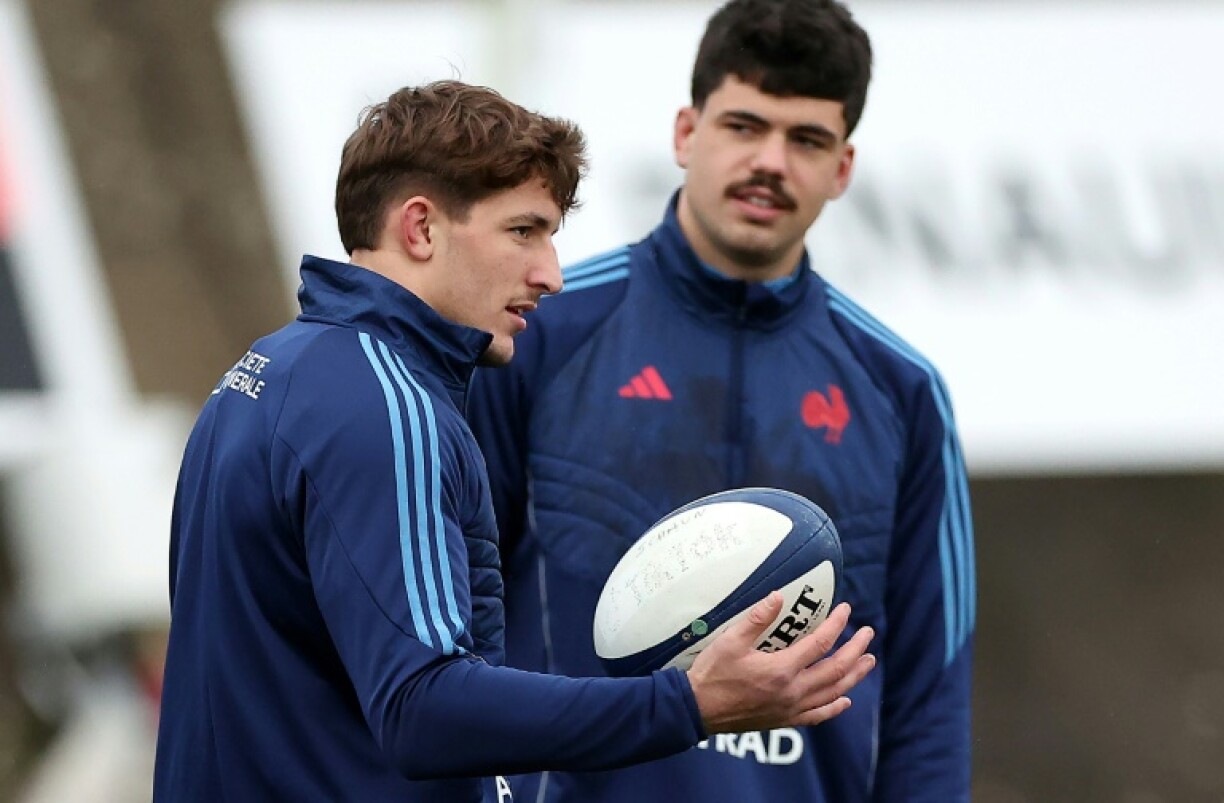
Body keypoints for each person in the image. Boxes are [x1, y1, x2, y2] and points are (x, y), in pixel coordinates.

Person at [151, 80, 877, 802]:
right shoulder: (387, 410)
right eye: (524, 231)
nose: (551, 275)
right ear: (421, 228)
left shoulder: (269, 372)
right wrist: (688, 703)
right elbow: (422, 708)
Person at [467, 1, 976, 801]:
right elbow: (449, 622)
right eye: (744, 125)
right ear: (685, 133)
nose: (770, 161)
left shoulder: (901, 390)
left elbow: (929, 691)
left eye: (806, 139)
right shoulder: (540, 335)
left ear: (843, 168)